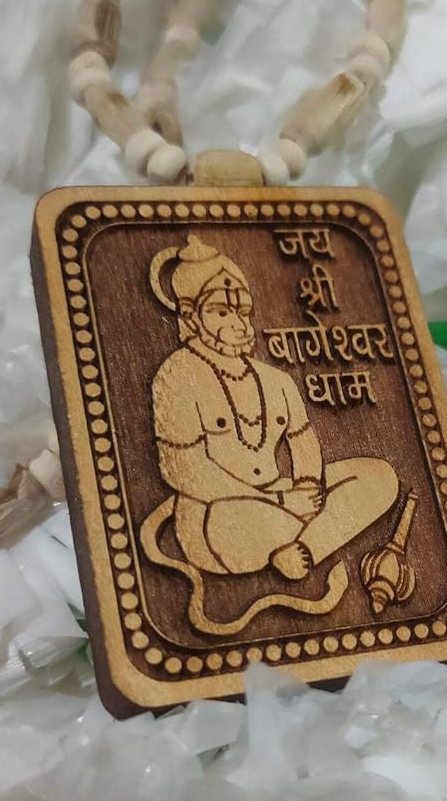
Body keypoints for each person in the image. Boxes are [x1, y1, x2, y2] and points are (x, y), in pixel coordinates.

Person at [148, 234, 399, 580]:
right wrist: (280, 503)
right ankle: (296, 541)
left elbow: (303, 441)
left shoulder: (275, 380)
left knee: (379, 477)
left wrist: (308, 487)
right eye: (220, 312)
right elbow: (184, 472)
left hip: (281, 495)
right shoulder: (176, 374)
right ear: (190, 316)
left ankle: (302, 551)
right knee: (238, 523)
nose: (238, 323)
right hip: (220, 513)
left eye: (242, 311)